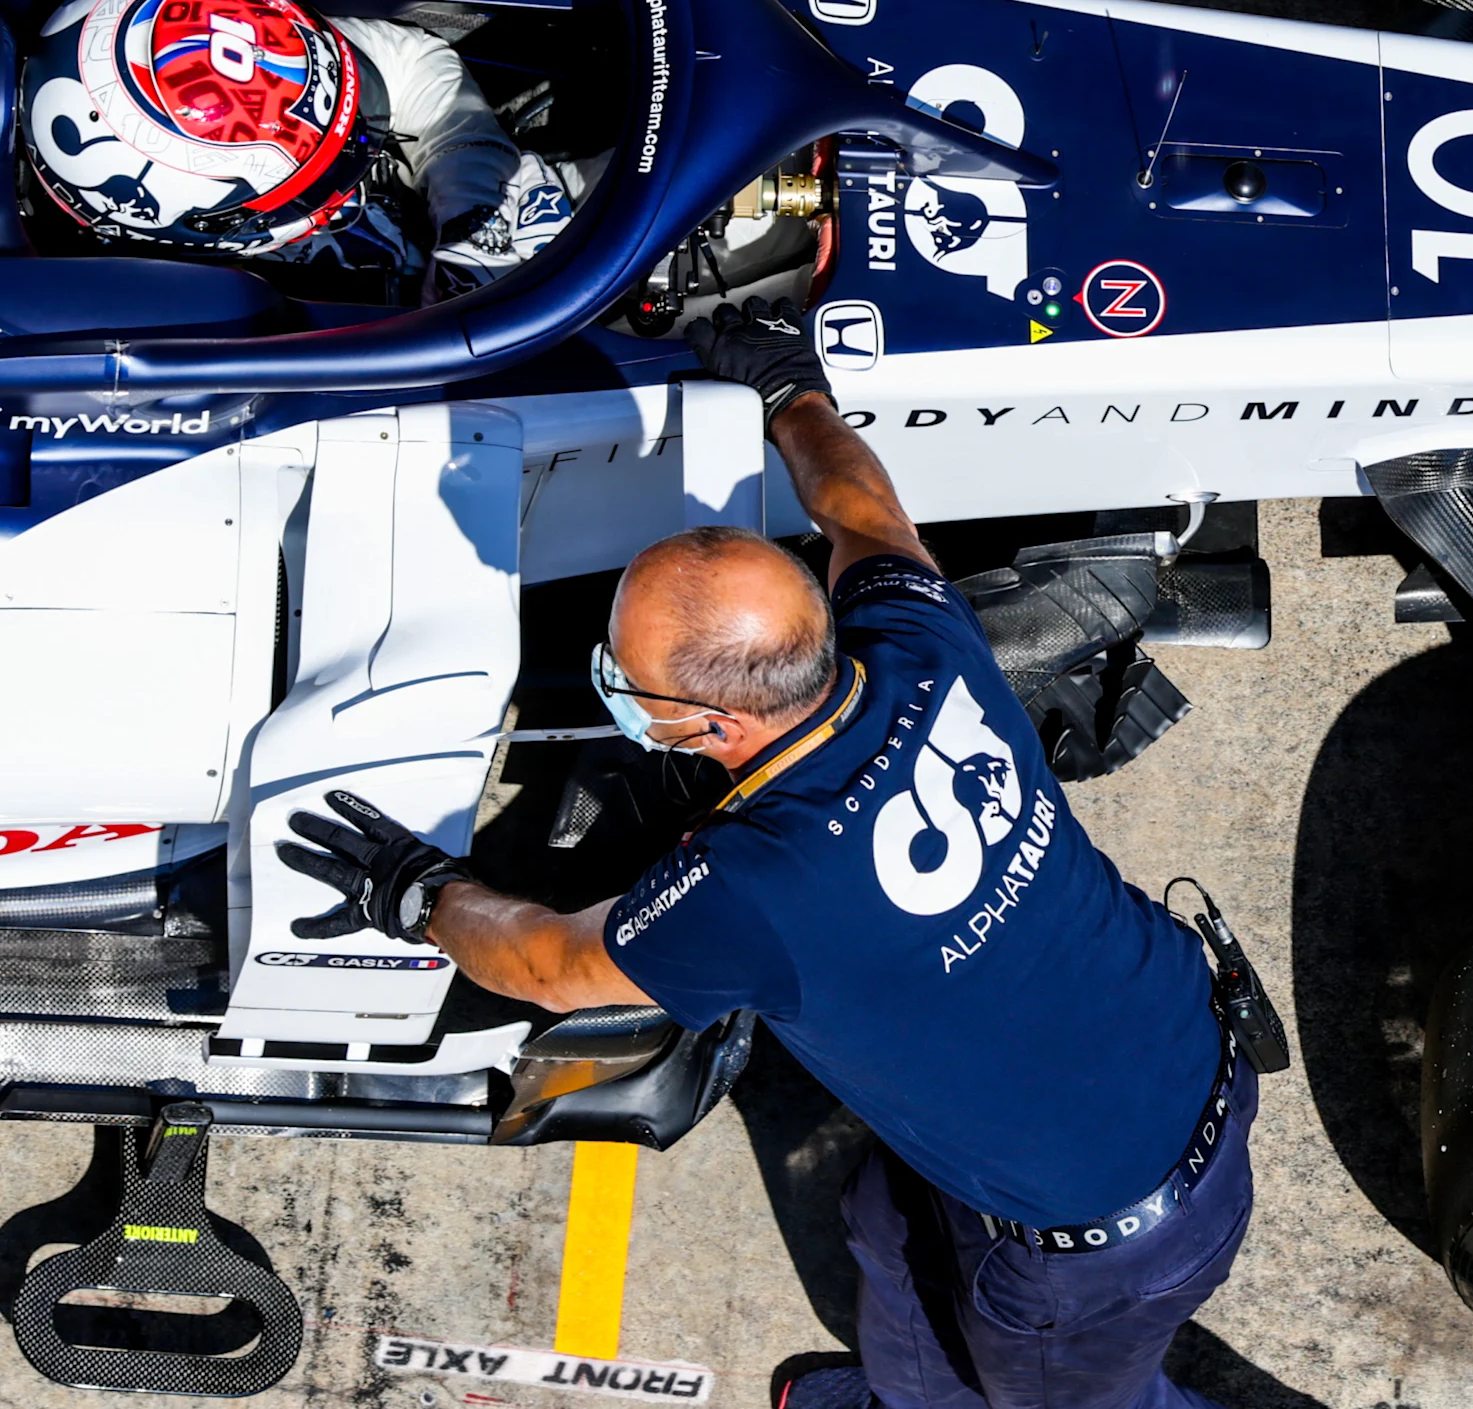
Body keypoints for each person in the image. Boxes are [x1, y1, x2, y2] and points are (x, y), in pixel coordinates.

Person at [274, 302, 1251, 1409]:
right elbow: (861, 510)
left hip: (1103, 1232)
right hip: (1157, 1039)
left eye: (624, 672)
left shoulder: (755, 885)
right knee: (884, 1222)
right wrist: (794, 389)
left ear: (711, 724)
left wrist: (420, 893)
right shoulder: (921, 639)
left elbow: (545, 962)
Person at [21, 0, 572, 292]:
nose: (359, 148)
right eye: (321, 178)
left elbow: (408, 62)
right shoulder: (159, 306)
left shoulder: (240, 37)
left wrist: (473, 210)